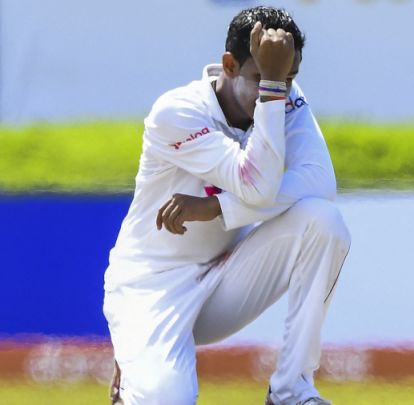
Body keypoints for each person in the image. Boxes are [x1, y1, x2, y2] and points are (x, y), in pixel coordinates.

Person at [103, 6, 350, 405]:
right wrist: (273, 87)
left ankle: (291, 390)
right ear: (230, 65)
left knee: (323, 220)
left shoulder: (281, 93)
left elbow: (320, 182)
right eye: (262, 78)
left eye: (289, 78)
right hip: (153, 285)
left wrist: (217, 208)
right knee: (165, 399)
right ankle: (135, 379)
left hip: (226, 277)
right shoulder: (177, 112)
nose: (278, 90)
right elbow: (255, 184)